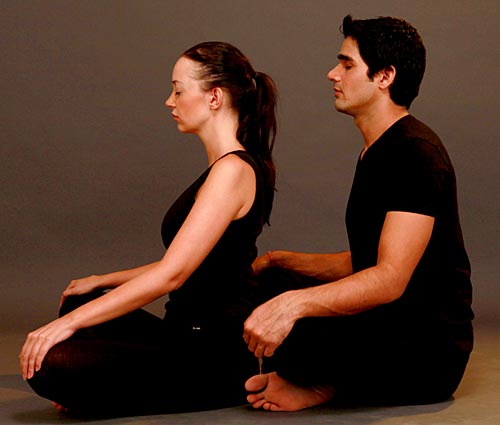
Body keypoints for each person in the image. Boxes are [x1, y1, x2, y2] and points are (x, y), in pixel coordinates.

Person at [19, 41, 278, 416]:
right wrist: (102, 280)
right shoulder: (227, 168)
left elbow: (173, 274)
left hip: (211, 354)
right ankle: (104, 388)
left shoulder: (232, 171)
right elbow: (191, 262)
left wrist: (63, 327)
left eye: (178, 90)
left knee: (50, 363)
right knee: (81, 298)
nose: (169, 102)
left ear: (214, 97)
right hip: (180, 334)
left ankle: (109, 392)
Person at [243, 15, 474, 412]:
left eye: (347, 65)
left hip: (426, 349)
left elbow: (389, 279)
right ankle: (316, 375)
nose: (333, 74)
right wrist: (281, 261)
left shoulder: (416, 154)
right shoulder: (378, 148)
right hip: (389, 320)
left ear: (385, 76)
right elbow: (369, 259)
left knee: (293, 314)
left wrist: (292, 304)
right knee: (269, 282)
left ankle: (322, 383)